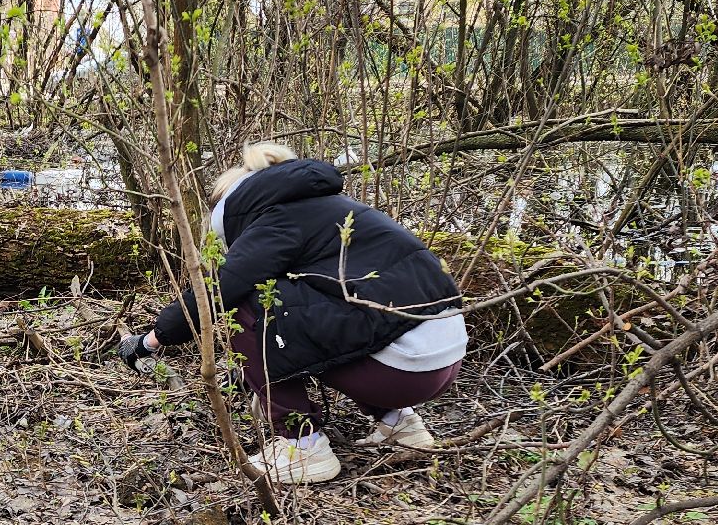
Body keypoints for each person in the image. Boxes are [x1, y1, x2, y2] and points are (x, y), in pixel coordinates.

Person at [118, 142, 465, 484]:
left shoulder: (278, 221)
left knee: (251, 301)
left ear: (231, 208)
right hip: (444, 362)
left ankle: (304, 447)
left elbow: (217, 293)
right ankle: (400, 424)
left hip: (398, 371)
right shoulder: (335, 207)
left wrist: (151, 340)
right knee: (348, 313)